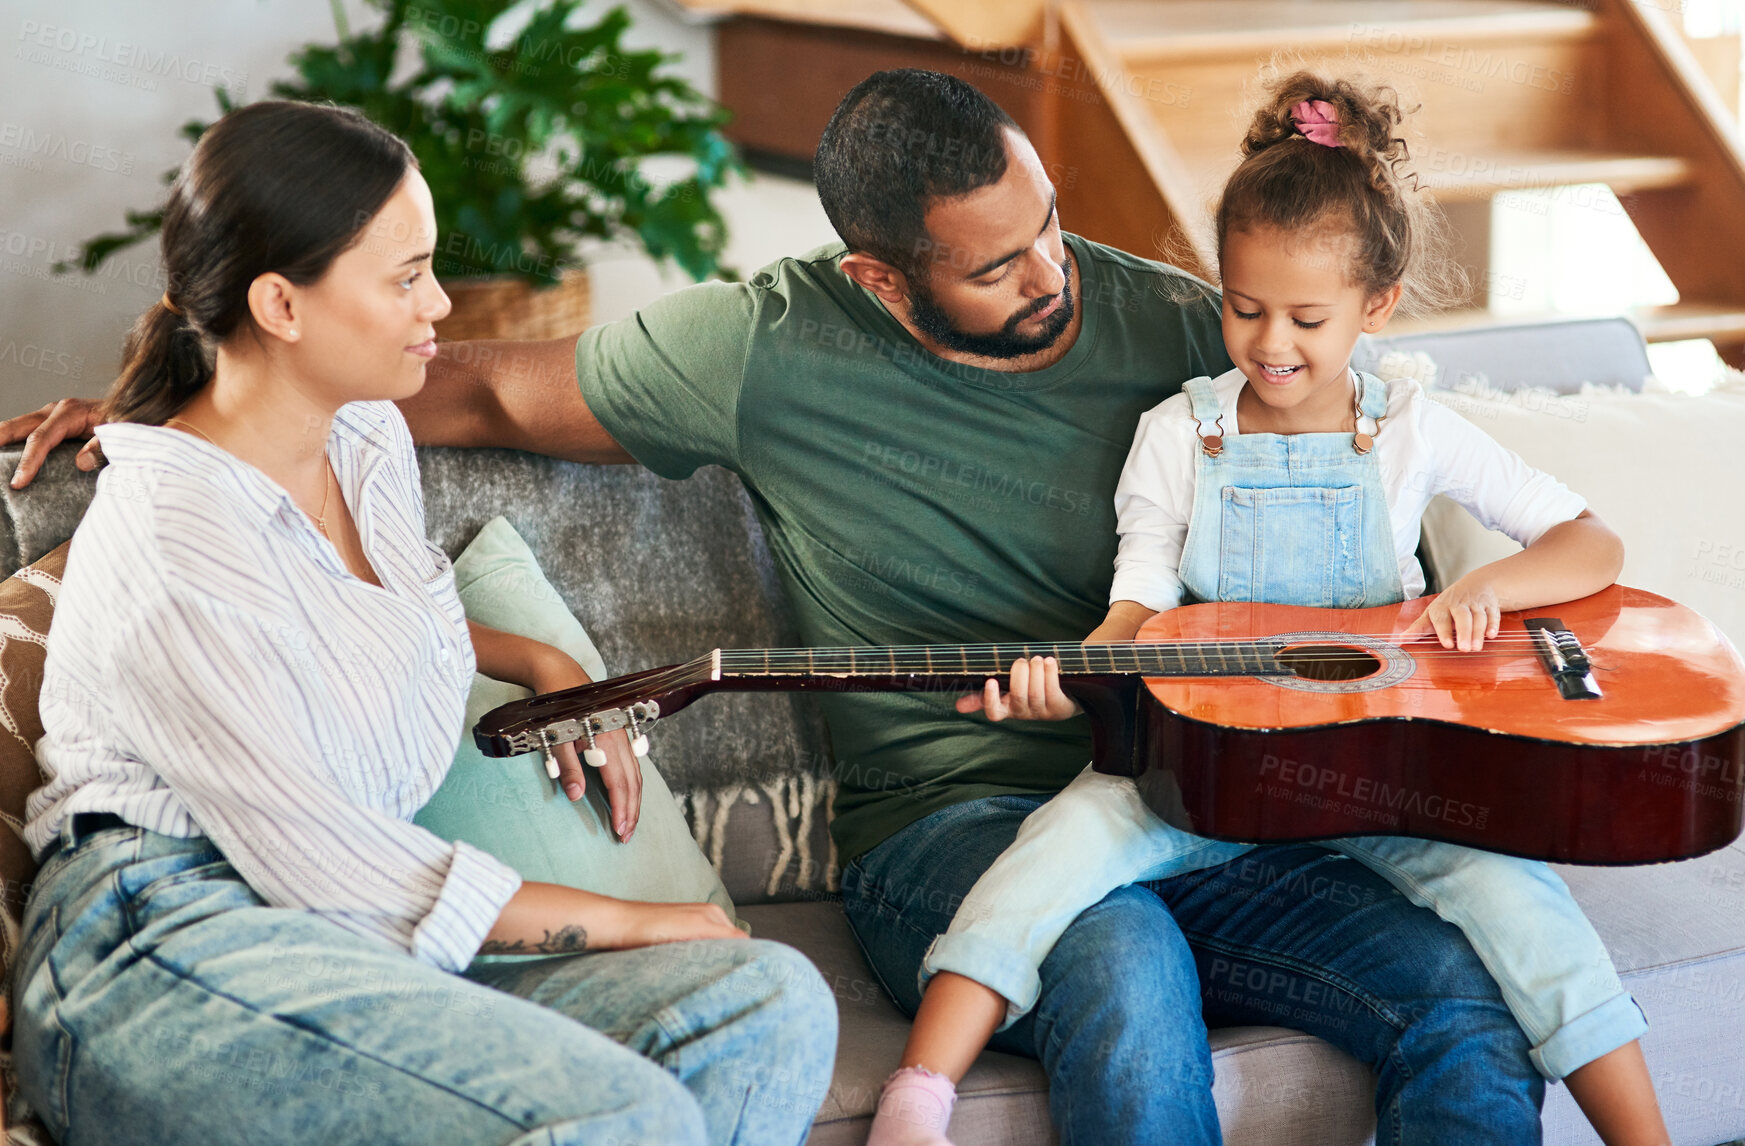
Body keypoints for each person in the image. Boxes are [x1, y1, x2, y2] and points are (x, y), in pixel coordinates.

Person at [8, 71, 1560, 1143]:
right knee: (1118, 953)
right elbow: (476, 386)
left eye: (1049, 224)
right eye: (997, 265)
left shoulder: (1184, 331)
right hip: (947, 829)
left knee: (1462, 997)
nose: (1054, 274)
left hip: (1190, 793)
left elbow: (1367, 533)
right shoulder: (765, 347)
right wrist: (172, 410)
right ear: (883, 281)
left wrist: (534, 650)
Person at [865, 71, 1671, 1146]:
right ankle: (918, 1096)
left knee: (1526, 914)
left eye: (1305, 317)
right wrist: (1074, 685)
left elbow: (1589, 542)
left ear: (1374, 308)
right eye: (1242, 310)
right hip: (1197, 772)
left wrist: (1481, 586)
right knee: (1046, 856)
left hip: (1386, 777)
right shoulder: (1174, 434)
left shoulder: (1415, 431)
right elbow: (1133, 610)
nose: (1269, 343)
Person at [8, 100, 834, 1146]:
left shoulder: (363, 443)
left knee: (768, 1000)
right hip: (163, 949)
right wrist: (638, 921)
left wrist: (541, 658)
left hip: (351, 951)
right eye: (405, 278)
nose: (438, 303)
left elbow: (360, 624)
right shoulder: (170, 544)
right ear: (280, 305)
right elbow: (334, 869)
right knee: (630, 1111)